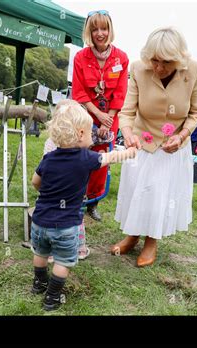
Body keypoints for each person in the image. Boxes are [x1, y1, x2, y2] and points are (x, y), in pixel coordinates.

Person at [29, 100, 136, 311]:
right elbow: (111, 157)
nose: (92, 136)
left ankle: (39, 283)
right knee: (63, 260)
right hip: (66, 226)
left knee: (40, 253)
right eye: (90, 132)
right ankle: (52, 296)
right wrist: (130, 152)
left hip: (39, 221)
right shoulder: (87, 158)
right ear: (80, 134)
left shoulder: (48, 158)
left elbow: (35, 183)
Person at [111, 27, 197, 267]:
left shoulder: (194, 70)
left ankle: (151, 241)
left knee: (159, 193)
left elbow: (196, 112)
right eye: (154, 60)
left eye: (166, 62)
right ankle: (132, 235)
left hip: (173, 144)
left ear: (179, 59)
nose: (159, 67)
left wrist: (183, 135)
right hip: (143, 140)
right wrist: (128, 133)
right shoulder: (137, 68)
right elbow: (127, 111)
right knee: (137, 190)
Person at [72, 10, 129, 222]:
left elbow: (121, 92)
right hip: (86, 116)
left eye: (103, 28)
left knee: (101, 160)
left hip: (110, 119)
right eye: (94, 29)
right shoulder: (80, 57)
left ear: (110, 30)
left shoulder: (121, 58)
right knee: (79, 157)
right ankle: (75, 197)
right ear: (89, 31)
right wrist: (97, 115)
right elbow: (79, 91)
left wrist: (109, 119)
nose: (99, 33)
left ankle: (93, 202)